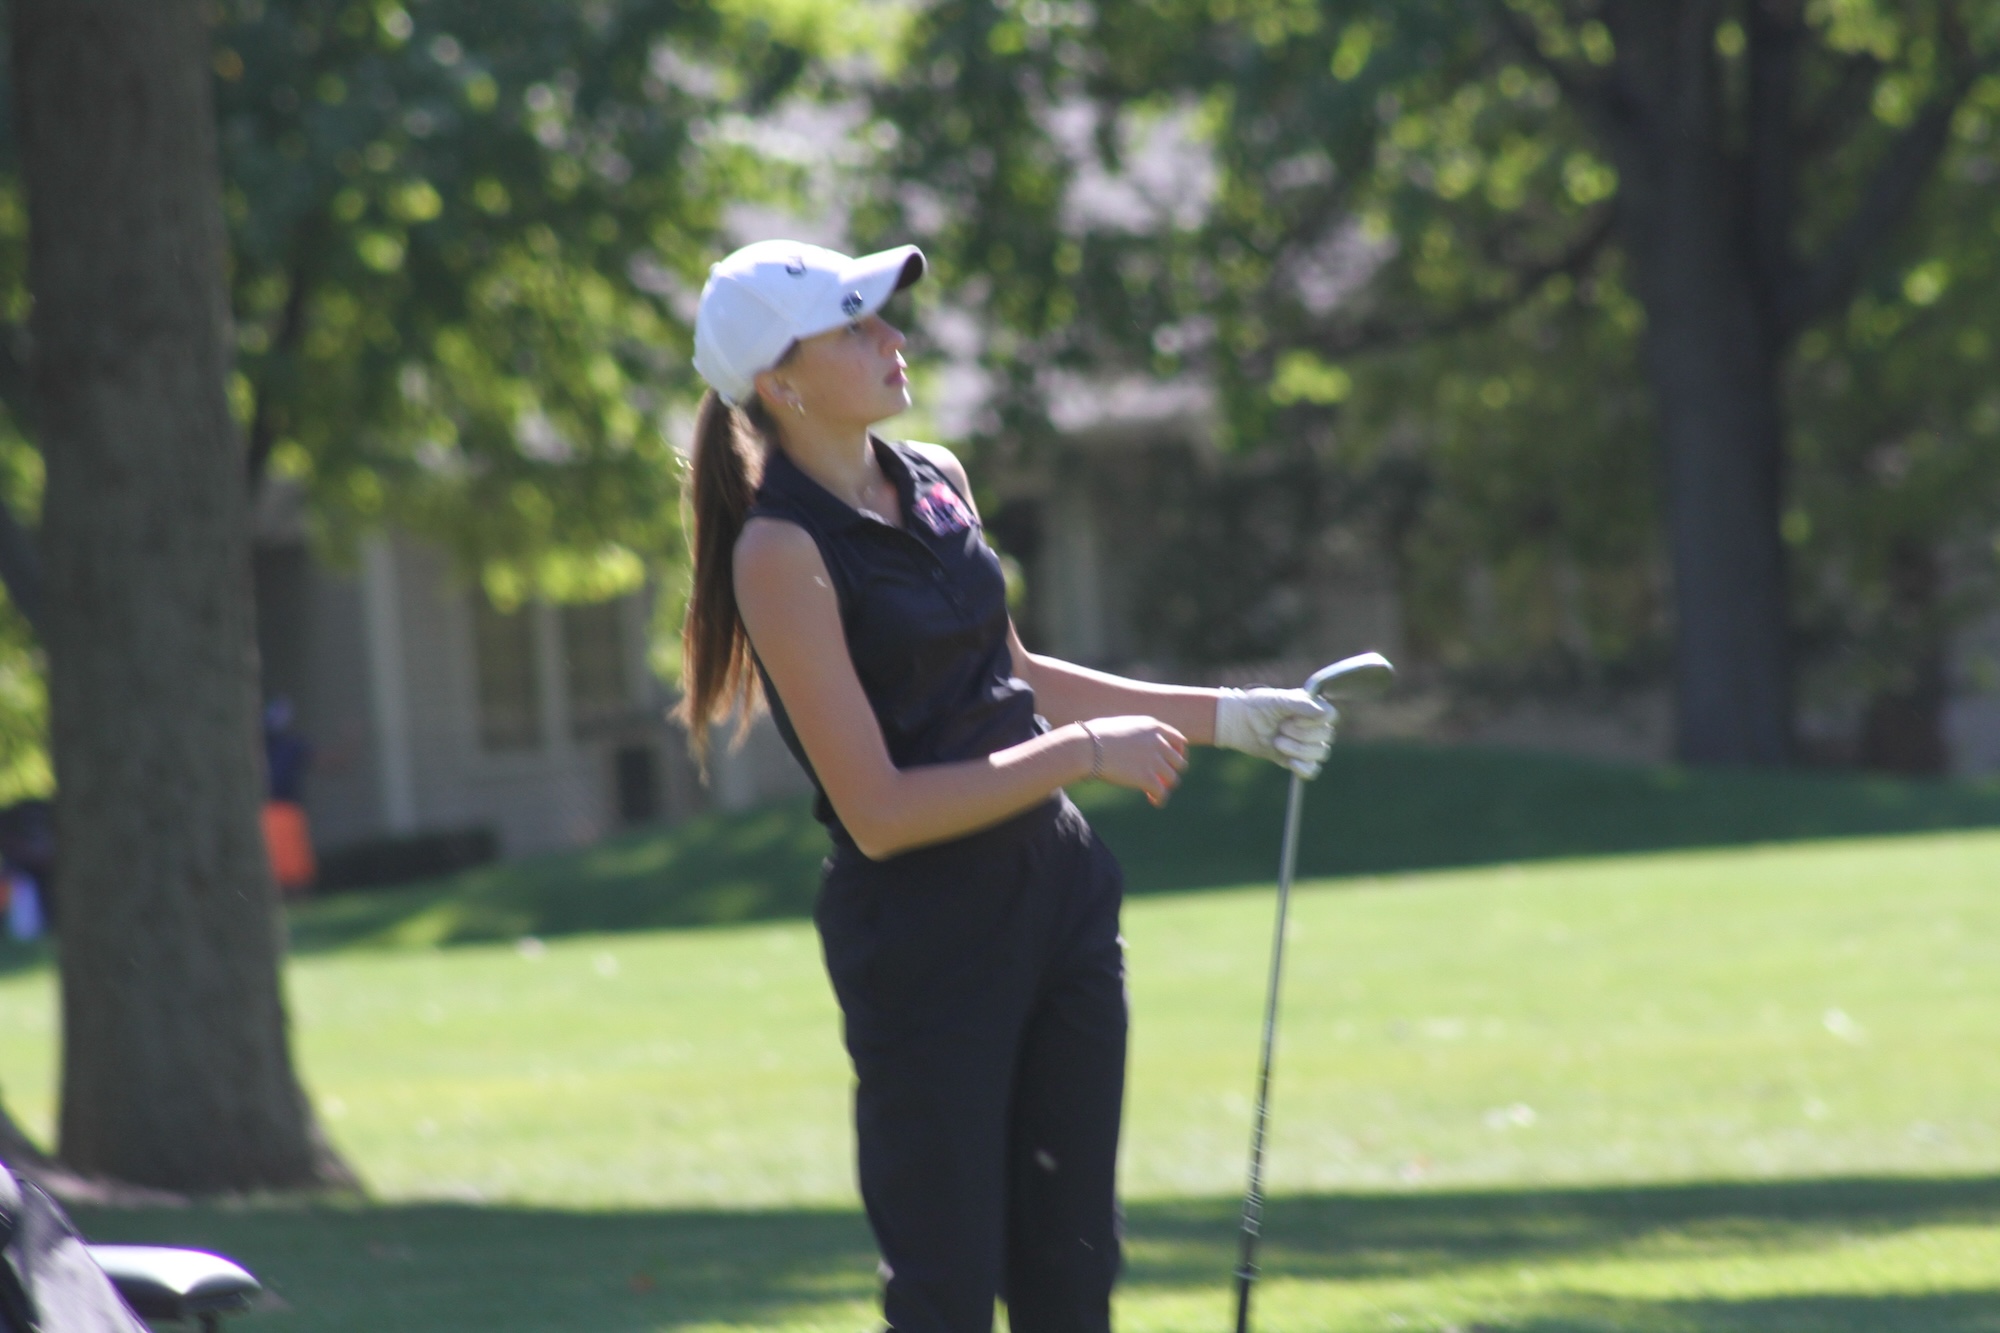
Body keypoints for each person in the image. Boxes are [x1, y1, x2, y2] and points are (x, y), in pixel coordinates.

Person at [678, 239, 1336, 1333]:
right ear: (778, 383)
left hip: (1055, 896)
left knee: (1072, 1274)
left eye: (881, 317)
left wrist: (1230, 718)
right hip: (924, 935)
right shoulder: (778, 551)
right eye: (855, 326)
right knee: (944, 1292)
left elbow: (1015, 673)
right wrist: (1081, 756)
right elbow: (880, 812)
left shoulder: (936, 478)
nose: (892, 339)